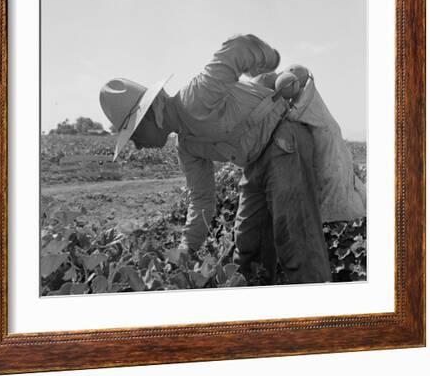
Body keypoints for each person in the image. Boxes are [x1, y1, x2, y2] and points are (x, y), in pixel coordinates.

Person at [99, 34, 365, 285]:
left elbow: (237, 48)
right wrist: (186, 248)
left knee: (294, 235)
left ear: (151, 114)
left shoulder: (196, 97)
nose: (136, 143)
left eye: (133, 132)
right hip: (256, 160)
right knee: (248, 247)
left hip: (285, 140)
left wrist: (271, 59)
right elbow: (201, 199)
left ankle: (318, 312)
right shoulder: (187, 147)